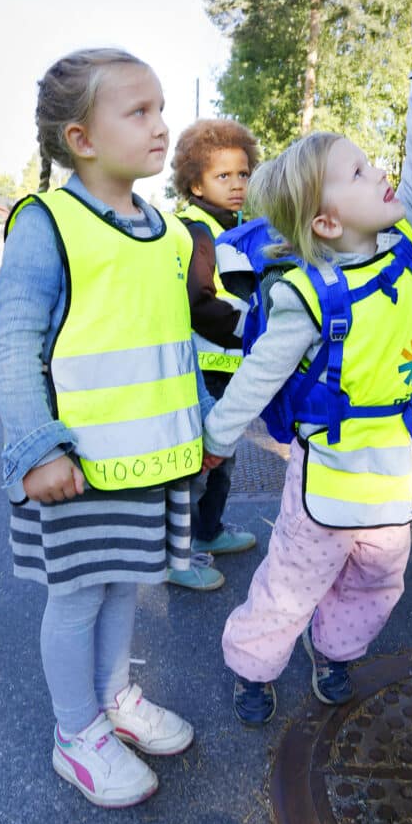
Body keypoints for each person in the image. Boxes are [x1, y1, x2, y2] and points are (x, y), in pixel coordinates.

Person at [201, 0, 412, 725]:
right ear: (324, 221)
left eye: (367, 162)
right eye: (355, 173)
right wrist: (217, 440)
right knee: (293, 578)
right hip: (331, 471)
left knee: (379, 579)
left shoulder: (400, 241)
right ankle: (252, 667)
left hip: (397, 468)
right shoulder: (307, 296)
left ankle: (335, 653)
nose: (378, 174)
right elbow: (259, 374)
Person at [0, 48, 214, 807]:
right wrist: (37, 448)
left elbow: (172, 343)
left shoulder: (169, 230)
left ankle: (115, 700)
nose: (160, 125)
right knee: (79, 595)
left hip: (149, 460)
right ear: (81, 138)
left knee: (127, 586)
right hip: (79, 467)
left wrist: (203, 428)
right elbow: (14, 342)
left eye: (160, 107)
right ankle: (73, 732)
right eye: (139, 111)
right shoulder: (48, 223)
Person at [167, 119, 260, 591]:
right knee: (199, 463)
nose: (237, 184)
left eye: (243, 174)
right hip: (206, 367)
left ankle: (209, 530)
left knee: (222, 458)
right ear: (196, 183)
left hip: (227, 367)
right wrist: (256, 328)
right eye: (224, 176)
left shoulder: (236, 227)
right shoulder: (196, 230)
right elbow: (199, 303)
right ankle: (177, 557)